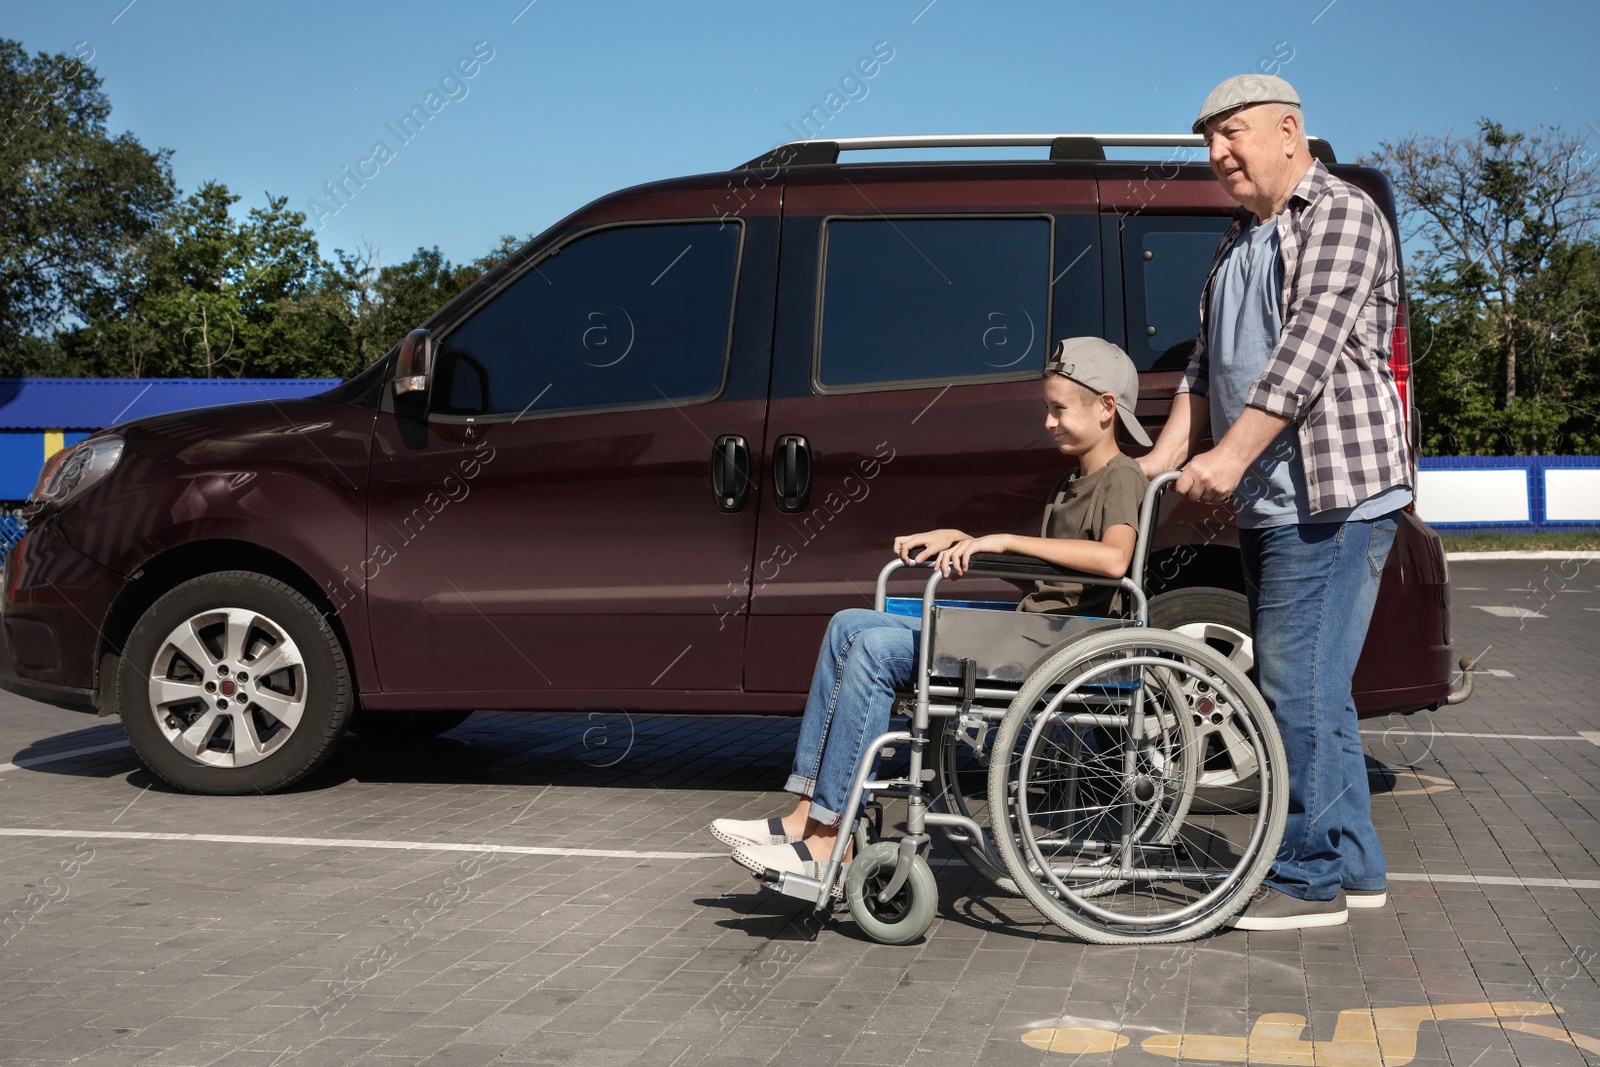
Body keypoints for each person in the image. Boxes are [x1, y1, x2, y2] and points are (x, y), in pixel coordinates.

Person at [709, 337, 1150, 887]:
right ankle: (806, 812)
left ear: (1106, 407)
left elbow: (1113, 561)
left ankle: (829, 842)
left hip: (1060, 645)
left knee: (873, 651)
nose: (1048, 422)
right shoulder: (1074, 481)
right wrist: (966, 541)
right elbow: (1051, 575)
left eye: (1059, 409)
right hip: (1035, 630)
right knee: (848, 625)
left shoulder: (1122, 475)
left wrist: (1007, 540)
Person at [1139, 74, 1413, 930]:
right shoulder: (1238, 239)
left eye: (1233, 134)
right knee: (1317, 689)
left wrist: (1228, 454)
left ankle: (1304, 876)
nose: (1219, 153)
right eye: (1210, 140)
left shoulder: (1339, 213)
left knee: (1294, 688)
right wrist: (1165, 450)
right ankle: (1353, 863)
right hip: (1275, 500)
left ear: (1289, 130)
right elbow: (1199, 365)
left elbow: (1304, 356)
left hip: (1332, 498)